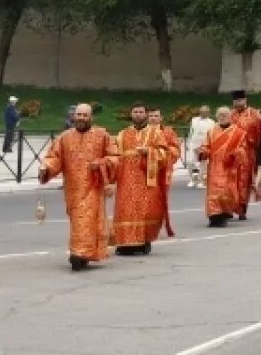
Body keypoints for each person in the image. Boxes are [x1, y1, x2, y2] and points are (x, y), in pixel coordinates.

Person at [38, 103, 117, 271]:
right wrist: (46, 167)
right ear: (74, 116)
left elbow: (115, 157)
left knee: (87, 219)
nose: (81, 118)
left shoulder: (102, 135)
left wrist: (102, 162)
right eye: (78, 115)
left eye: (84, 115)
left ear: (91, 117)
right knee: (77, 221)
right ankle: (85, 253)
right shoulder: (64, 137)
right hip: (72, 188)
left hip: (94, 187)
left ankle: (78, 253)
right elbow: (55, 157)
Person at [110, 102, 173, 255]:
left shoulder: (155, 133)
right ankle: (125, 244)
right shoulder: (122, 134)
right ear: (131, 114)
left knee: (146, 212)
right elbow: (115, 156)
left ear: (145, 114)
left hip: (147, 180)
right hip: (126, 180)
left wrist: (149, 152)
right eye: (135, 112)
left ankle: (144, 241)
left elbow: (165, 155)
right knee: (125, 212)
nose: (138, 114)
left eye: (141, 112)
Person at [199, 107, 248, 227]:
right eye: (220, 114)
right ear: (217, 116)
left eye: (225, 114)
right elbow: (206, 146)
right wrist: (203, 152)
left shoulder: (238, 132)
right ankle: (213, 217)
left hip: (229, 167)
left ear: (230, 116)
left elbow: (243, 148)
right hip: (214, 167)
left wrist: (237, 153)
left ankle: (224, 215)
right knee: (213, 194)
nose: (222, 116)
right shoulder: (211, 131)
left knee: (226, 193)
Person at [229, 89, 261, 218]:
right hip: (231, 154)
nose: (238, 103)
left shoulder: (255, 115)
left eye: (240, 100)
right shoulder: (230, 115)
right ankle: (229, 208)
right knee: (230, 181)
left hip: (248, 153)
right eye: (236, 101)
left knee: (244, 181)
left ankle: (242, 208)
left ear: (245, 100)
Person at [186, 106, 215, 189]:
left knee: (203, 164)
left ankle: (201, 181)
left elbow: (212, 135)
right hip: (193, 144)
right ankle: (192, 180)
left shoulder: (212, 122)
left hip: (204, 145)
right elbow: (191, 132)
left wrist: (208, 146)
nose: (203, 113)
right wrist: (189, 144)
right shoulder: (194, 120)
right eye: (202, 111)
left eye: (205, 112)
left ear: (208, 113)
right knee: (191, 162)